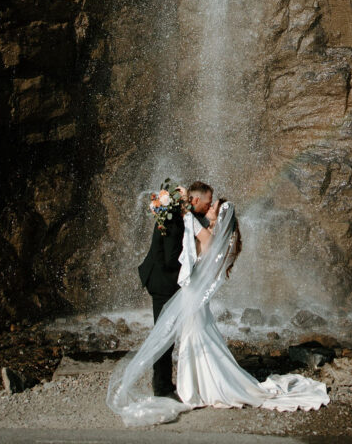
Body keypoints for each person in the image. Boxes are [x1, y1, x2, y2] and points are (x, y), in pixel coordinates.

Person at [109, 197, 329, 426]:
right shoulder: (207, 232)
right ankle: (190, 385)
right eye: (210, 204)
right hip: (189, 294)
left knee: (191, 339)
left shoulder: (208, 235)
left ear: (221, 217)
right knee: (192, 339)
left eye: (212, 206)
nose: (208, 207)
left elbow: (195, 251)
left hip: (191, 295)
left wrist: (179, 206)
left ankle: (193, 387)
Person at [137, 181, 213, 396]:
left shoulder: (181, 216)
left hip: (165, 279)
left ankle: (165, 382)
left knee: (166, 332)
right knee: (164, 334)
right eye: (207, 203)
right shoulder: (173, 219)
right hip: (162, 281)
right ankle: (161, 386)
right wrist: (192, 270)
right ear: (195, 200)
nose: (208, 208)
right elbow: (170, 259)